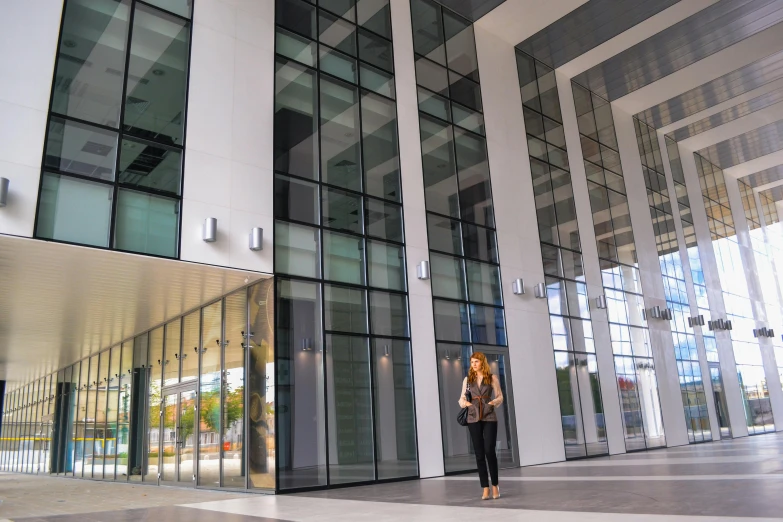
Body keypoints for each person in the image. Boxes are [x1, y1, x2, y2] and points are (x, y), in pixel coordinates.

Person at [458, 352, 504, 500]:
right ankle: (485, 487)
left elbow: (500, 396)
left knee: (489, 450)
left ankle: (495, 485)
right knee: (479, 454)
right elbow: (461, 399)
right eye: (472, 362)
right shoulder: (468, 379)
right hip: (473, 417)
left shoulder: (492, 378)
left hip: (489, 416)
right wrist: (468, 404)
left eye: (476, 362)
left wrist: (491, 403)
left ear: (482, 362)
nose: (474, 364)